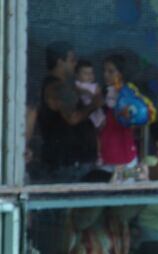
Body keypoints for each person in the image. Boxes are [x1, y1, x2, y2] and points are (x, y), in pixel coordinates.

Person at [56, 172, 133, 254]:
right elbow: (83, 221)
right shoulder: (75, 217)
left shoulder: (113, 221)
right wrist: (105, 190)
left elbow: (131, 211)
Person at [36, 42, 100, 183]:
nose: (75, 64)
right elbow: (72, 118)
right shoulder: (57, 87)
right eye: (72, 60)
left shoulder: (64, 87)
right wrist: (94, 104)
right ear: (60, 62)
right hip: (68, 165)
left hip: (73, 163)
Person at [98, 54, 144, 178]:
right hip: (105, 152)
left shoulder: (130, 94)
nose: (106, 74)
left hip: (124, 154)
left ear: (121, 73)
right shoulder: (102, 93)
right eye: (104, 71)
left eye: (111, 71)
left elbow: (136, 120)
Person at [74, 60, 105, 130]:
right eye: (85, 73)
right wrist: (87, 92)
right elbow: (76, 89)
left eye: (91, 73)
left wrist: (98, 93)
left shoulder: (94, 85)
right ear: (76, 75)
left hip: (96, 112)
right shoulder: (77, 84)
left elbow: (99, 95)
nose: (89, 76)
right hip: (85, 113)